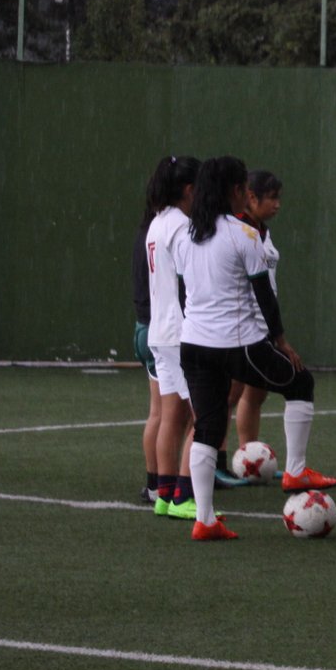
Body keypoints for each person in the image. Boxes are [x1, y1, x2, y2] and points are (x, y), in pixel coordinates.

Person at [176, 156, 336, 541]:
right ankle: (295, 471)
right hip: (238, 345)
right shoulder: (243, 235)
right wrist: (281, 342)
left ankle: (204, 520)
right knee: (300, 383)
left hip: (193, 346)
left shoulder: (185, 235)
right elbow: (264, 295)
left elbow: (184, 294)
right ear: (235, 191)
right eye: (244, 189)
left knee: (206, 428)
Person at [144, 154, 201, 518]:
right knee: (205, 417)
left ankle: (164, 496)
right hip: (181, 333)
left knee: (170, 417)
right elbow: (187, 282)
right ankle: (184, 496)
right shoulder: (181, 226)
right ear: (189, 190)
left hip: (160, 332)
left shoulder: (157, 223)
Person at [220, 169, 284, 487]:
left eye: (278, 198)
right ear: (251, 197)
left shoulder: (263, 231)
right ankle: (217, 462)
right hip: (241, 325)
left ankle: (250, 459)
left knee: (257, 392)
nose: (277, 204)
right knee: (229, 394)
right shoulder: (238, 229)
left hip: (263, 325)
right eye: (271, 198)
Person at [131, 159, 173, 507]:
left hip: (145, 327)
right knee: (171, 415)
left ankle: (155, 485)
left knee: (158, 412)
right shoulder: (168, 228)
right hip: (159, 329)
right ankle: (167, 486)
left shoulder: (149, 227)